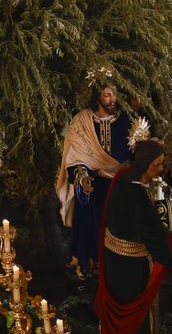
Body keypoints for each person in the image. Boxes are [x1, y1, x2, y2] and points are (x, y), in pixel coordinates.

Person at [94, 139, 172, 334]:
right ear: (146, 165)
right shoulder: (138, 196)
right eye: (157, 164)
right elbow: (157, 237)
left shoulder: (123, 178)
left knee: (117, 303)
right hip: (133, 265)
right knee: (136, 308)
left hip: (113, 259)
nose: (162, 168)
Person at [56, 81, 133, 282]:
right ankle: (84, 268)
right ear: (97, 96)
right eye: (107, 95)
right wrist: (82, 178)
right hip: (92, 186)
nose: (112, 99)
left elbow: (136, 153)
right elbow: (74, 159)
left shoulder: (126, 120)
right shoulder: (82, 122)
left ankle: (112, 272)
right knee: (88, 226)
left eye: (114, 94)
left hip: (119, 186)